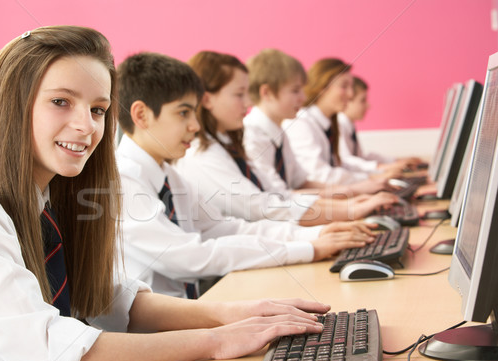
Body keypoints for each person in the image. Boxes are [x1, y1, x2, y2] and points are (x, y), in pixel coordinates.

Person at [0, 26, 332, 361]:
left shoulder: (52, 200)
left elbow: (114, 300)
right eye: (61, 101)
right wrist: (217, 341)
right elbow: (54, 352)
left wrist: (239, 313)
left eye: (97, 110)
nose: (86, 125)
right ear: (11, 106)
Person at [115, 51, 375, 299]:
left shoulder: (170, 175)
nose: (194, 125)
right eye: (183, 113)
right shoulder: (124, 179)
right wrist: (307, 248)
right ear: (141, 115)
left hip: (186, 311)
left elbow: (223, 228)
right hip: (146, 334)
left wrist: (313, 237)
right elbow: (191, 258)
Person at [176, 50, 397, 227]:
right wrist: (347, 207)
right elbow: (262, 207)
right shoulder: (209, 153)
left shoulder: (233, 143)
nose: (247, 103)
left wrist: (346, 201)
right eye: (239, 94)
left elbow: (279, 195)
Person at [283, 58, 399, 185]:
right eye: (344, 86)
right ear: (322, 87)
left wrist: (378, 173)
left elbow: (340, 165)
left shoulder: (328, 124)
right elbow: (318, 174)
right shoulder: (301, 123)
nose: (350, 94)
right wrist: (371, 177)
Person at [338, 76, 423, 172]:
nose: (368, 106)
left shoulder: (349, 125)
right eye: (362, 100)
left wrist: (396, 161)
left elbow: (361, 158)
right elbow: (347, 161)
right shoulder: (339, 126)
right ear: (347, 101)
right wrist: (385, 167)